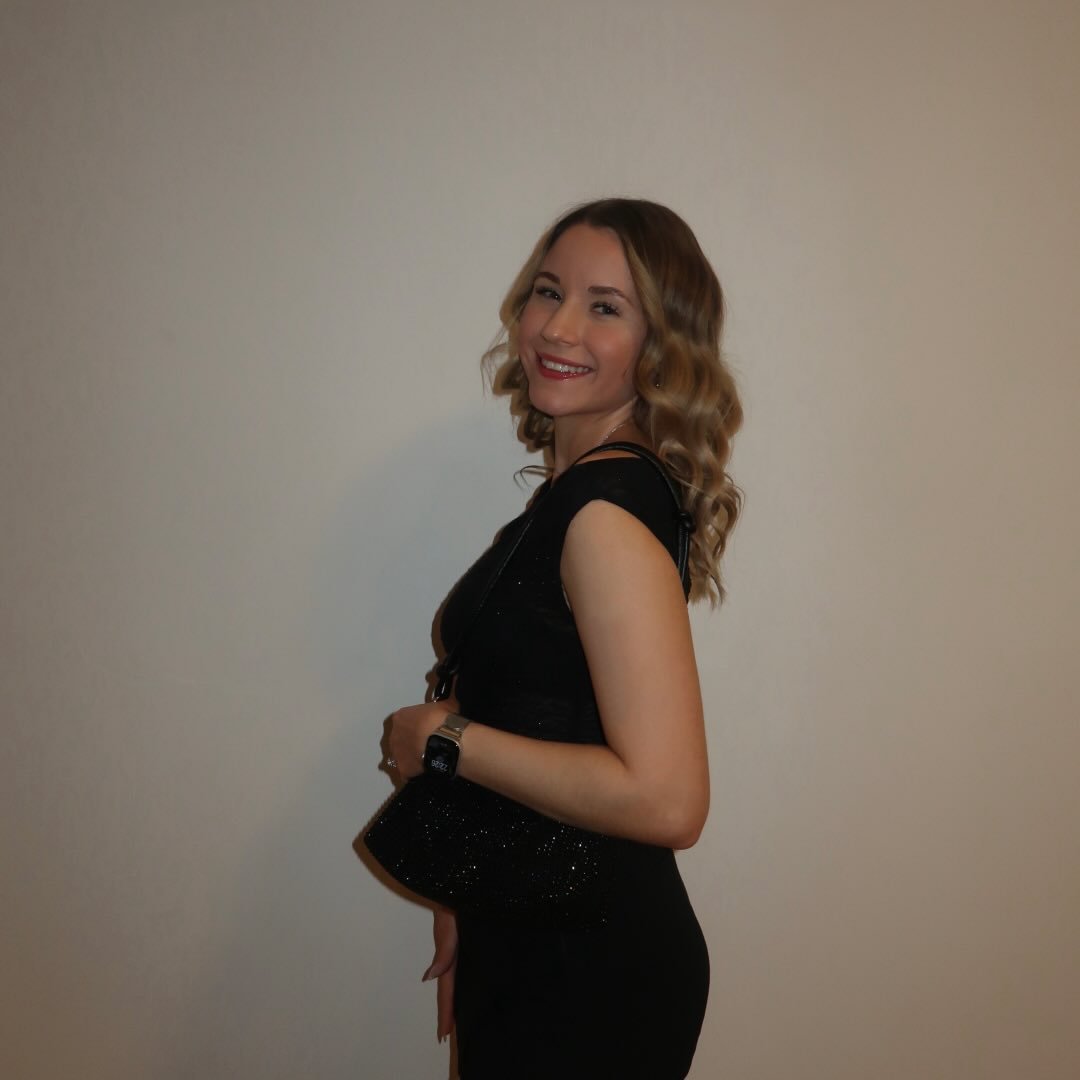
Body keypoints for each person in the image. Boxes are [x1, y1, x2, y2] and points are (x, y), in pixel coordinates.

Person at [385, 197, 742, 1079]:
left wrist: (444, 741)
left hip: (589, 969)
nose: (558, 326)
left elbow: (669, 801)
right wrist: (464, 891)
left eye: (604, 306)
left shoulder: (602, 518)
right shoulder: (576, 498)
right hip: (535, 932)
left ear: (661, 347)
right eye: (549, 292)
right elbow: (540, 714)